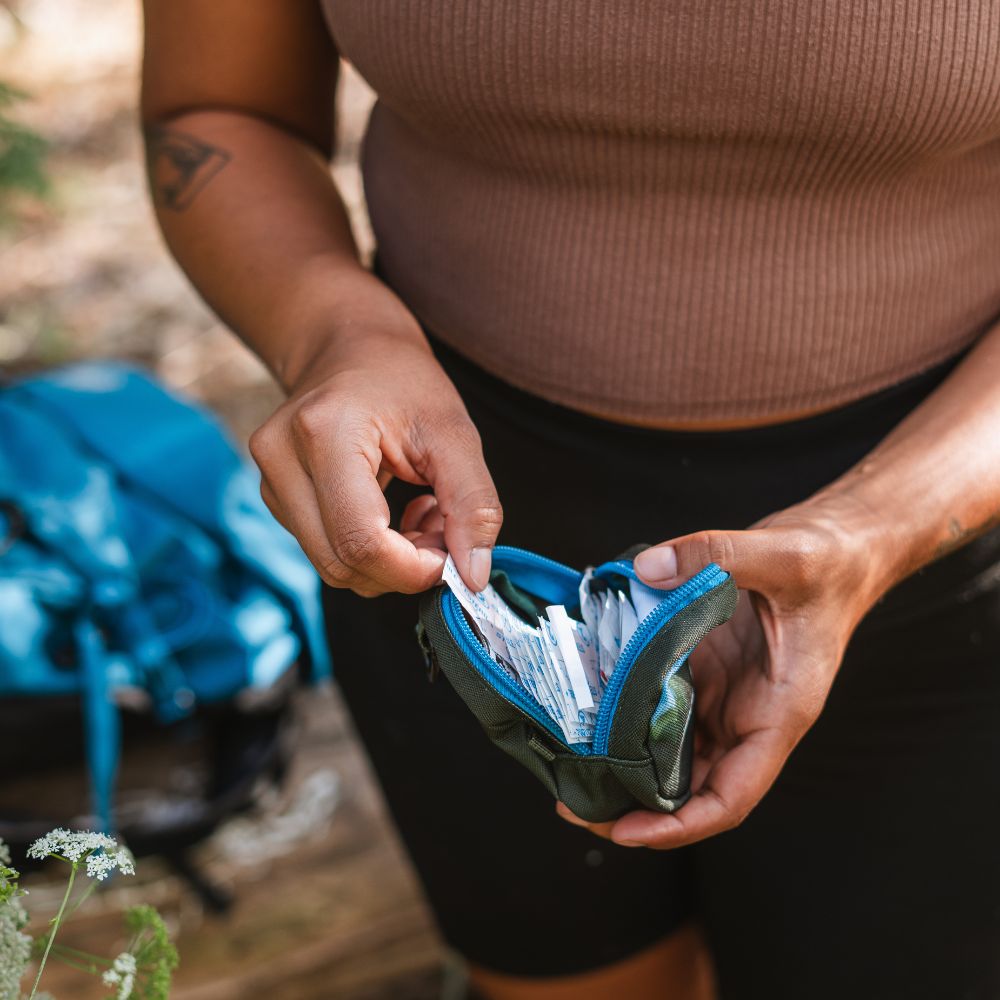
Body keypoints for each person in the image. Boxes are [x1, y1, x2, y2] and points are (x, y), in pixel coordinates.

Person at [140, 3, 1000, 997]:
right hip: (453, 539)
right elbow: (216, 106)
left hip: (943, 527)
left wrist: (876, 531)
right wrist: (334, 335)